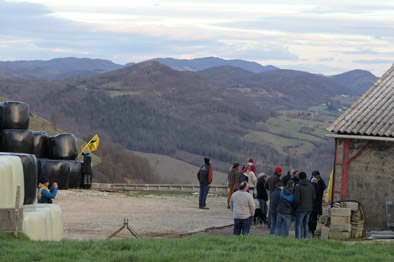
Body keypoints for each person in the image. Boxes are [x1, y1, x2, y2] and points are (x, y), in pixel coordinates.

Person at [294, 171, 316, 239]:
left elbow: (296, 200)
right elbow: (314, 197)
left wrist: (295, 207)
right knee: (305, 224)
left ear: (299, 177)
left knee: (298, 224)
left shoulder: (298, 187)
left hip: (300, 208)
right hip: (309, 208)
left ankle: (298, 238)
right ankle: (305, 238)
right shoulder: (311, 186)